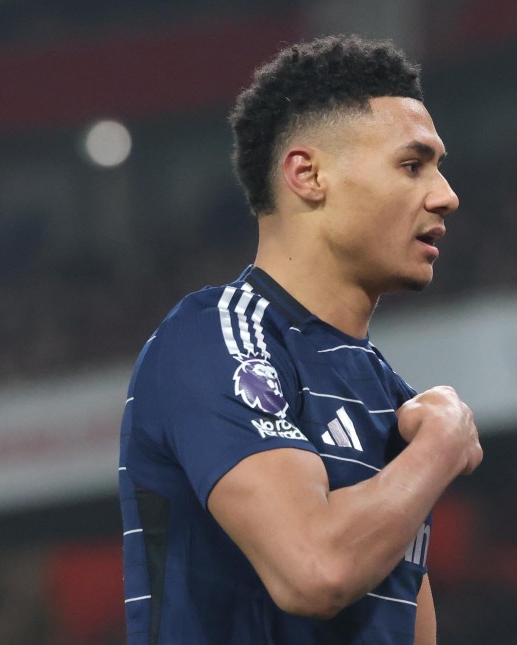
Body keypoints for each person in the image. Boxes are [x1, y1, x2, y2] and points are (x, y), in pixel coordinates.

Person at [119, 34, 482, 644]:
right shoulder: (214, 338)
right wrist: (443, 443)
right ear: (308, 174)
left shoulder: (393, 401)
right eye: (412, 164)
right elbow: (315, 570)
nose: (445, 194)